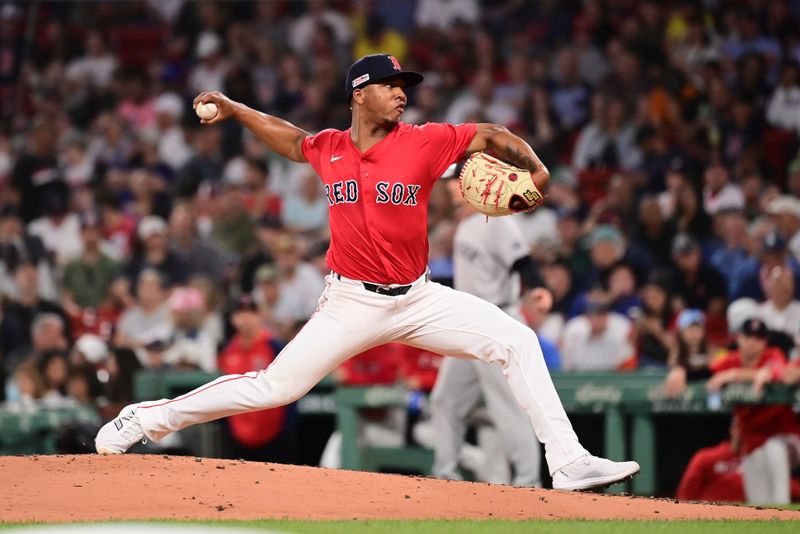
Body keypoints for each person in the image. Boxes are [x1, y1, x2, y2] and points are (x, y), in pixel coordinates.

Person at [95, 53, 639, 491]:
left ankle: (568, 462)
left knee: (516, 340)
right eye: (390, 84)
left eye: (405, 85)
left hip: (420, 298)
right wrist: (236, 110)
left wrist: (537, 168)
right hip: (351, 303)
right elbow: (289, 139)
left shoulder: (423, 141)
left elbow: (492, 135)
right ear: (360, 93)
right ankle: (144, 420)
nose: (402, 92)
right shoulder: (330, 147)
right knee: (273, 388)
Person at [426, 172, 545, 487]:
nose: (451, 187)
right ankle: (446, 473)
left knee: (508, 407)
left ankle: (528, 483)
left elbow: (523, 262)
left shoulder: (496, 219)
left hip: (497, 321)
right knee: (445, 400)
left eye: (456, 181)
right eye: (449, 182)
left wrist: (538, 288)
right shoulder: (466, 223)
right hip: (468, 325)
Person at [707, 318, 800, 504]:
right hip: (751, 444)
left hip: (787, 438)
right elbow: (705, 373)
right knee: (758, 503)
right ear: (739, 338)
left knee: (774, 450)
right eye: (748, 336)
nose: (752, 342)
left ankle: (783, 510)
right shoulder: (730, 361)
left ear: (765, 341)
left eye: (758, 338)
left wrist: (738, 375)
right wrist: (680, 370)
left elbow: (779, 370)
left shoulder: (772, 355)